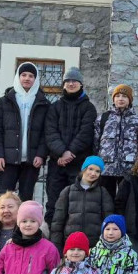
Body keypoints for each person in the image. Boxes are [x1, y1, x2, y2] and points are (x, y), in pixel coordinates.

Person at [43, 67, 97, 224]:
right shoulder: (55, 107)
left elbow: (86, 133)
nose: (71, 83)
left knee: (77, 205)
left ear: (81, 84)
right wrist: (61, 153)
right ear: (63, 84)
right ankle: (53, 241)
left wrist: (70, 152)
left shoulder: (89, 108)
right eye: (68, 81)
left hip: (79, 164)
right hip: (57, 164)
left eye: (74, 81)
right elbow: (50, 132)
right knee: (54, 203)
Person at [0, 61, 49, 202]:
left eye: (31, 76)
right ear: (18, 77)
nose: (27, 78)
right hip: (7, 159)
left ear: (36, 80)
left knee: (26, 198)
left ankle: (23, 225)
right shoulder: (4, 101)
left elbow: (46, 133)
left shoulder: (44, 104)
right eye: (23, 75)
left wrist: (41, 154)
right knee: (3, 199)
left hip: (31, 160)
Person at [50, 155, 115, 249]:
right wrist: (56, 249)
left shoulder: (103, 193)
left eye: (97, 171)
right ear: (84, 169)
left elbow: (109, 221)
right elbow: (57, 223)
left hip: (95, 247)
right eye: (90, 169)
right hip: (71, 247)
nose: (93, 173)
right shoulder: (68, 191)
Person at [94, 83, 138, 200]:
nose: (120, 99)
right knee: (105, 202)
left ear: (130, 99)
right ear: (113, 99)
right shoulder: (103, 118)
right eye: (118, 96)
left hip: (128, 171)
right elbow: (95, 143)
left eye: (124, 96)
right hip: (106, 170)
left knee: (126, 203)